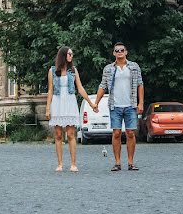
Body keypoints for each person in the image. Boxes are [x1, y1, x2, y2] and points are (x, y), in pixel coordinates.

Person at [94, 42, 143, 171]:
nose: (119, 52)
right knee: (116, 133)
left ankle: (131, 162)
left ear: (126, 52)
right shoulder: (108, 69)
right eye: (117, 50)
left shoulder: (134, 67)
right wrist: (96, 103)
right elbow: (102, 86)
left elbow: (140, 84)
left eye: (122, 50)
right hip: (115, 105)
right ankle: (117, 162)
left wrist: (141, 103)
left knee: (130, 133)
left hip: (130, 104)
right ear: (114, 53)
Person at [46, 46, 96, 172]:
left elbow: (80, 88)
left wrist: (91, 103)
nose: (71, 56)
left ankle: (73, 164)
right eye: (69, 54)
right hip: (57, 103)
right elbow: (50, 90)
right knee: (58, 135)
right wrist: (48, 108)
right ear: (63, 55)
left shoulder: (73, 71)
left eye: (72, 54)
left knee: (71, 134)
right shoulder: (52, 71)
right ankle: (60, 164)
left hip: (69, 102)